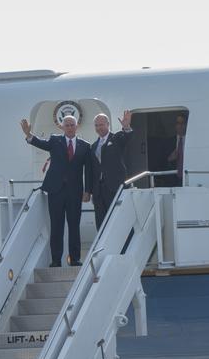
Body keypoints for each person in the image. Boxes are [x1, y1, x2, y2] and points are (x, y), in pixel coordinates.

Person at [20, 114, 92, 267]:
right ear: (62, 127)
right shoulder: (55, 140)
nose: (70, 127)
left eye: (72, 125)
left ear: (77, 126)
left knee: (74, 226)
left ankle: (75, 259)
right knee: (56, 226)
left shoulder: (85, 146)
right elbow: (39, 143)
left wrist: (88, 191)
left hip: (75, 192)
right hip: (56, 191)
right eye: (67, 125)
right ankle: (56, 260)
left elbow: (89, 169)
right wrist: (28, 135)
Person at [88, 110, 135, 230]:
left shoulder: (117, 138)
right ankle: (102, 247)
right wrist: (89, 191)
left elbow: (128, 137)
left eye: (101, 124)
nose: (99, 127)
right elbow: (91, 170)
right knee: (101, 223)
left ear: (108, 125)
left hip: (114, 188)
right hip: (99, 192)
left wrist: (126, 127)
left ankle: (122, 248)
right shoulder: (93, 146)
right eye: (96, 125)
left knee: (118, 222)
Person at [166, 112, 187, 186]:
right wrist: (170, 159)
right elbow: (161, 163)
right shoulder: (169, 142)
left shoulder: (192, 141)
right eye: (178, 123)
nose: (180, 126)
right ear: (175, 125)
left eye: (183, 123)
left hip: (188, 177)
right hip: (172, 180)